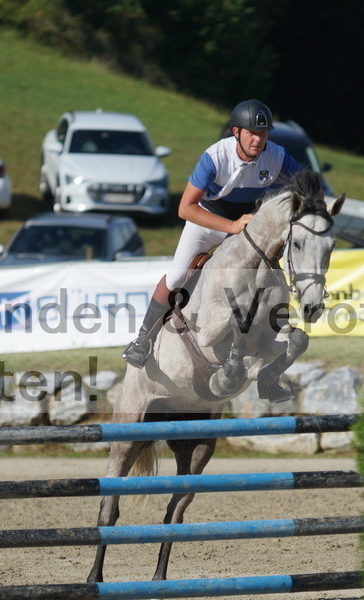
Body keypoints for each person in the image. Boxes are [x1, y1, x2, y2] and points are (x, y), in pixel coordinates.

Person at [121, 99, 302, 397]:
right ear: (236, 132)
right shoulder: (215, 157)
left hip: (246, 229)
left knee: (271, 281)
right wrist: (230, 227)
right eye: (252, 134)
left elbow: (310, 185)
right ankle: (142, 341)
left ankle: (268, 368)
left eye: (264, 133)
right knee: (178, 277)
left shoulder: (278, 156)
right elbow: (185, 208)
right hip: (206, 222)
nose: (259, 140)